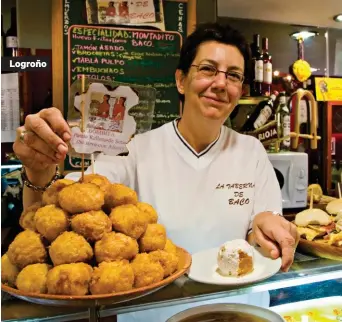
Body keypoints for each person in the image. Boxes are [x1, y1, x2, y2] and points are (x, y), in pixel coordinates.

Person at [13, 23, 299, 321]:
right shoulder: (136, 149)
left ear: (240, 90)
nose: (220, 83)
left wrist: (267, 228)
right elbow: (58, 207)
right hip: (154, 315)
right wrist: (38, 168)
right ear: (181, 80)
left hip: (238, 311)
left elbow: (263, 237)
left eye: (233, 76)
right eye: (208, 69)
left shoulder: (251, 152)